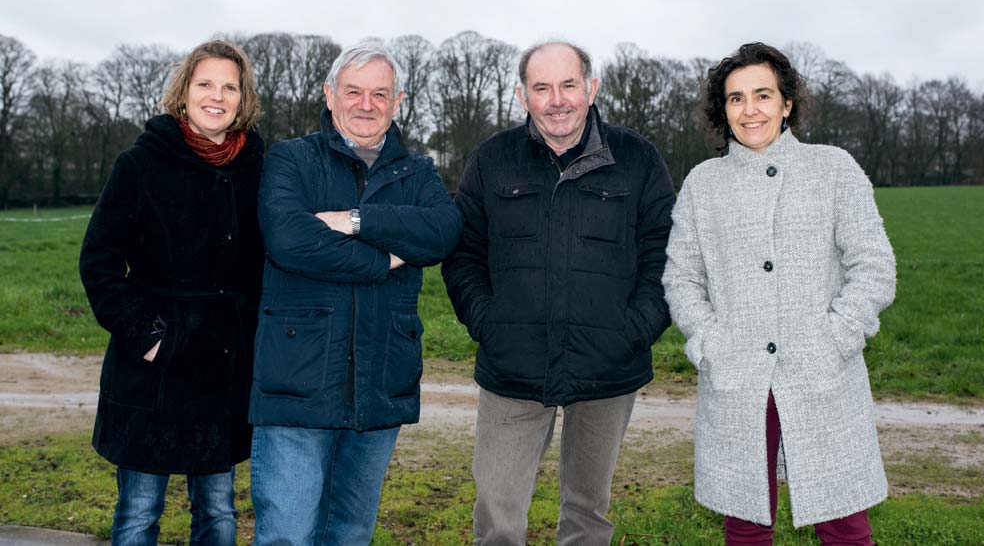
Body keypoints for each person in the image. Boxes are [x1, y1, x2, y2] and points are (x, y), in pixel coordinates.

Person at [442, 40, 676, 545]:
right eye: (541, 88)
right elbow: (463, 255)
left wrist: (632, 332)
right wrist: (490, 325)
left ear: (590, 89)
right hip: (513, 366)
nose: (557, 100)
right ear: (523, 95)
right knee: (498, 516)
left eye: (568, 85)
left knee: (588, 515)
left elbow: (667, 256)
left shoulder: (637, 160)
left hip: (609, 366)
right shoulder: (491, 160)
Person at [662, 42, 897, 545]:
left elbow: (874, 266)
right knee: (745, 520)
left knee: (844, 523)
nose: (750, 110)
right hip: (737, 376)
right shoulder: (703, 184)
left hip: (821, 374)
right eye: (736, 98)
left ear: (786, 103)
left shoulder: (833, 169)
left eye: (763, 95)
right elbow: (681, 278)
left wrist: (838, 336)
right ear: (722, 110)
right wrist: (709, 342)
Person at [248, 40, 462, 545]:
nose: (366, 104)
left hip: (379, 380)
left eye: (380, 93)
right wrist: (383, 258)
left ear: (399, 100)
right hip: (297, 380)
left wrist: (355, 220)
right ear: (329, 94)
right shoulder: (292, 160)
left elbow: (444, 232)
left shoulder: (419, 173)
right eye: (353, 91)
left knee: (350, 534)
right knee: (287, 535)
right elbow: (290, 240)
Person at [79, 40, 265, 544]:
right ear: (183, 92)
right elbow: (98, 261)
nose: (217, 95)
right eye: (205, 83)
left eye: (230, 86)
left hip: (224, 368)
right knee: (139, 513)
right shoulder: (140, 163)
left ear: (242, 98)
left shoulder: (258, 168)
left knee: (219, 513)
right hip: (153, 367)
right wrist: (147, 334)